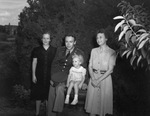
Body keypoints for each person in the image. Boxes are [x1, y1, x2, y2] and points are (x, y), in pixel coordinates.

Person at [47, 35, 86, 116]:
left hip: (69, 76)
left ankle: (58, 111)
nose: (68, 44)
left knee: (60, 89)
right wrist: (52, 77)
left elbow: (83, 67)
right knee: (51, 91)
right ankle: (50, 114)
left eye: (71, 42)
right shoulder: (60, 50)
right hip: (57, 74)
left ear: (75, 42)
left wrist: (84, 82)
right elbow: (54, 64)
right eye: (66, 41)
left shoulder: (79, 52)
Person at [85, 29, 116, 116]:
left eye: (100, 37)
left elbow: (110, 70)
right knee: (92, 107)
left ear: (106, 38)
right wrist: (93, 79)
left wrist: (98, 80)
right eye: (97, 38)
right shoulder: (93, 51)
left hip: (105, 79)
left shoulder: (112, 52)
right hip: (93, 78)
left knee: (102, 107)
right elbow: (90, 65)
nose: (98, 39)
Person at [30, 32, 56, 116]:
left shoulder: (54, 50)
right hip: (39, 75)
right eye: (44, 38)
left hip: (49, 75)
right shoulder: (36, 50)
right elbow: (34, 62)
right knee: (38, 94)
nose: (45, 40)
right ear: (41, 39)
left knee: (48, 95)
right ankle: (37, 113)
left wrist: (54, 77)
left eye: (47, 38)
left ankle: (48, 113)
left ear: (50, 39)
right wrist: (33, 75)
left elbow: (56, 64)